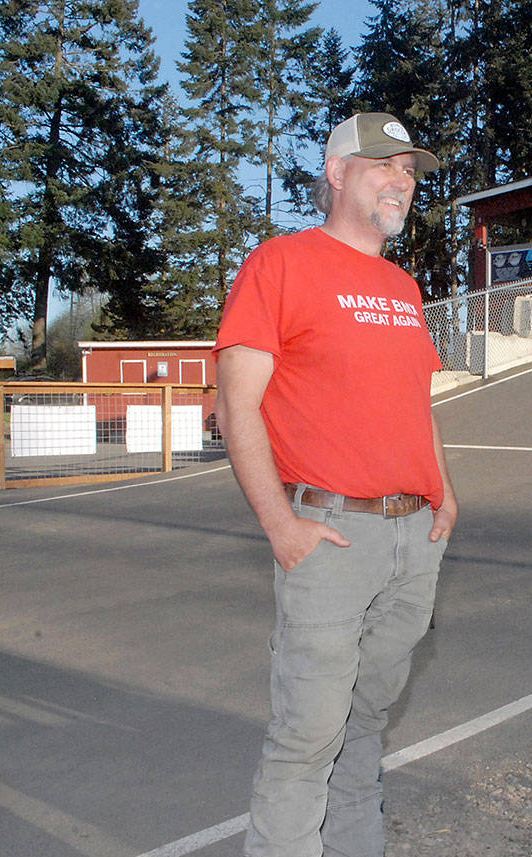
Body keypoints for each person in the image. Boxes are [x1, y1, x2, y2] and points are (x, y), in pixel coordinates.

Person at [214, 112, 458, 857]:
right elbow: (236, 401)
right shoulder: (281, 264)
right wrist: (280, 527)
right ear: (335, 172)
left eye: (410, 170)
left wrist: (444, 494)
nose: (401, 180)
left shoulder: (403, 285)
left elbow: (412, 400)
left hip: (414, 540)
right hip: (331, 534)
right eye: (383, 164)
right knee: (307, 738)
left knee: (364, 728)